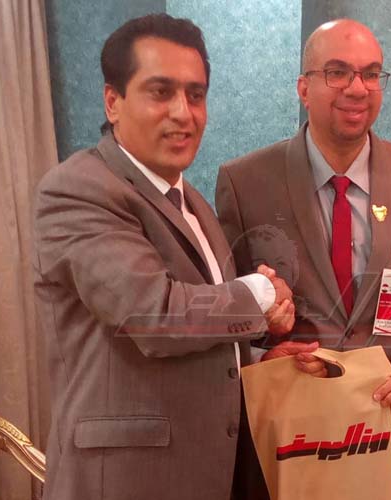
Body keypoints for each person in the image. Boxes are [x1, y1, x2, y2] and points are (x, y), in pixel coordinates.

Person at [33, 14, 295, 500]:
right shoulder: (79, 189)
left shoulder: (192, 201)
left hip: (209, 470)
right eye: (160, 92)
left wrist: (258, 358)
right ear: (113, 101)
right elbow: (153, 316)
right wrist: (260, 293)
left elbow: (197, 334)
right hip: (127, 480)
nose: (183, 113)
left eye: (196, 95)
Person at [216, 19, 391, 500]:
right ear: (303, 88)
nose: (357, 88)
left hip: (389, 431)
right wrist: (261, 353)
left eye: (371, 74)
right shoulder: (245, 183)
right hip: (287, 444)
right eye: (337, 72)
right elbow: (230, 305)